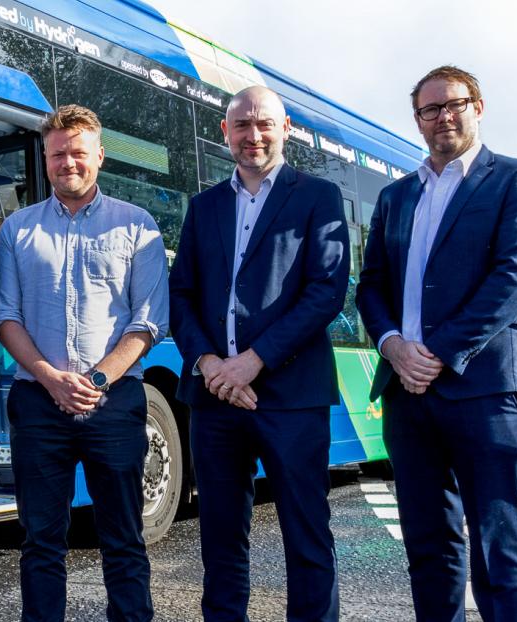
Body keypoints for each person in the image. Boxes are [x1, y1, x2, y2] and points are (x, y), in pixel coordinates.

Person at [356, 65, 517, 622]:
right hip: (407, 391)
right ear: (417, 120)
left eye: (455, 104)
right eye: (430, 109)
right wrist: (393, 345)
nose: (443, 116)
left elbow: (515, 277)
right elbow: (371, 285)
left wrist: (438, 352)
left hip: (486, 389)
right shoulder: (397, 196)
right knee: (427, 543)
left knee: (499, 542)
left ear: (479, 107)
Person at [169, 85, 349, 621]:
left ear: (285, 128)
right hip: (214, 398)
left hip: (291, 395)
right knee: (220, 539)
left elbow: (326, 290)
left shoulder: (318, 196)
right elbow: (180, 294)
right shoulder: (204, 207)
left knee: (306, 537)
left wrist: (252, 360)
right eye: (242, 125)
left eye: (264, 123)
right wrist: (208, 363)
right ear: (225, 132)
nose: (254, 135)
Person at [0, 104, 168, 622]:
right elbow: (5, 317)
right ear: (45, 159)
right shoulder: (17, 230)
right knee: (41, 543)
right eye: (57, 154)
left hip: (112, 402)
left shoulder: (138, 225)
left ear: (99, 156)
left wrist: (93, 380)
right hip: (38, 404)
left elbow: (148, 322)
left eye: (77, 153)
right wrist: (50, 379)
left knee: (123, 540)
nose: (67, 162)